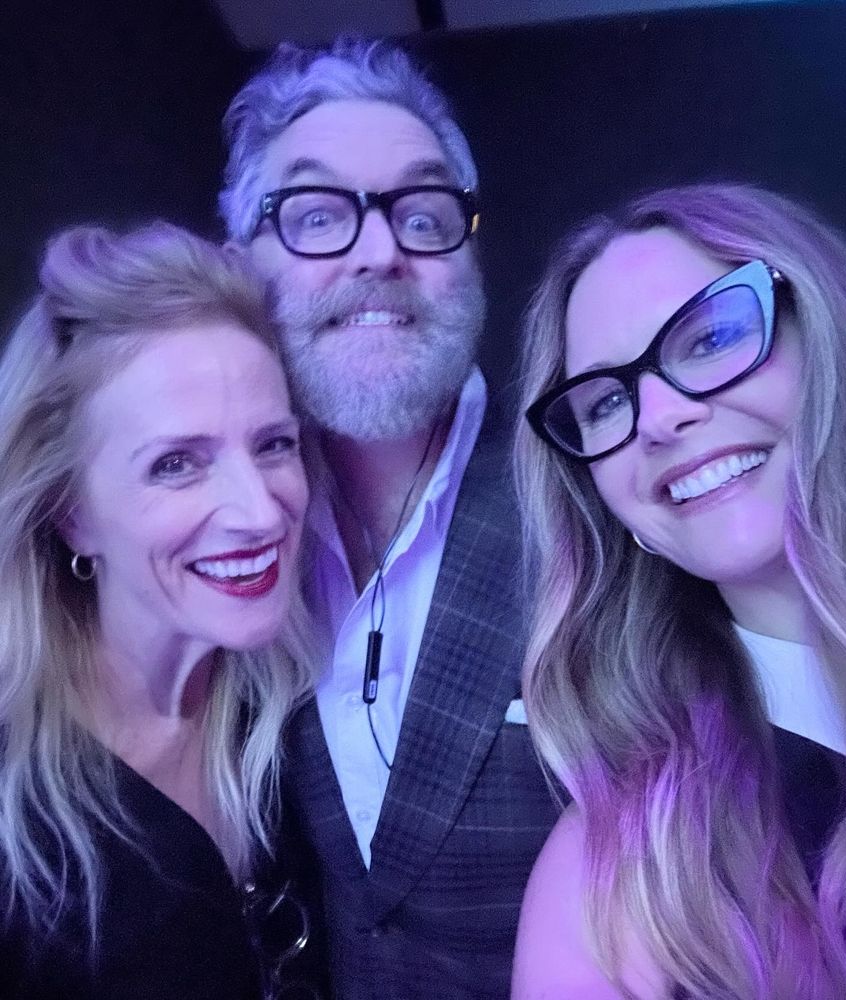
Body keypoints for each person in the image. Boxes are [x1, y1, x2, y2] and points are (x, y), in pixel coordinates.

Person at [220, 38, 559, 999]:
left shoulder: (590, 506)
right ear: (238, 269)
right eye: (316, 215)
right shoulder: (225, 546)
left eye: (422, 214)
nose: (381, 251)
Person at [512, 182, 846, 999]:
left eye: (709, 337)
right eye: (607, 401)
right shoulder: (618, 882)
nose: (660, 417)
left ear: (825, 336)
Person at [0, 221, 325, 999]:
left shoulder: (297, 718)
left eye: (273, 444)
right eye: (177, 464)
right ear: (71, 514)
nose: (260, 512)